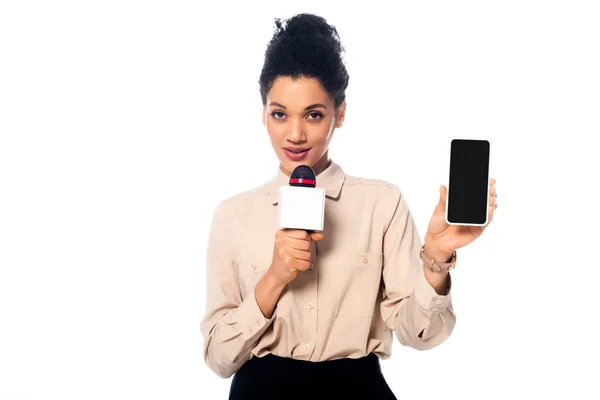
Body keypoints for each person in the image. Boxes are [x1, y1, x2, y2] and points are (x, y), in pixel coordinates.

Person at [200, 13, 497, 400]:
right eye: (279, 114)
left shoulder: (381, 203)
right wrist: (273, 277)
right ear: (263, 115)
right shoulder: (233, 215)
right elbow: (218, 358)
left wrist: (436, 257)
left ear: (339, 114)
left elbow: (420, 335)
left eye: (313, 114)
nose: (295, 134)